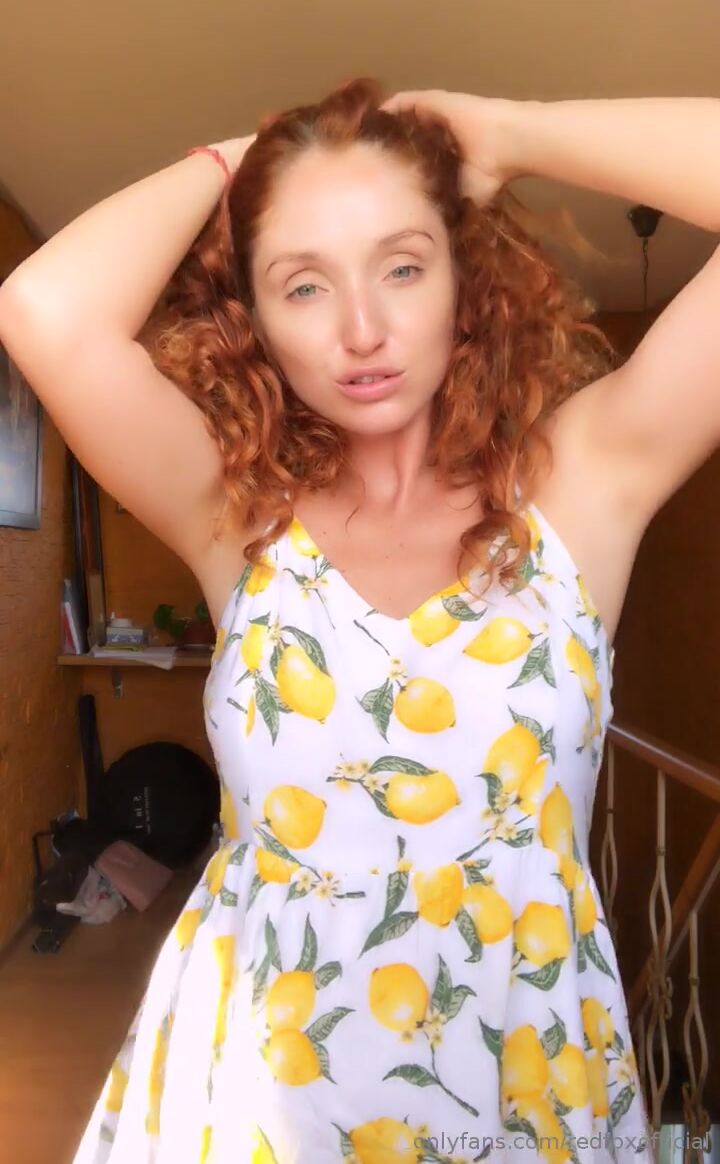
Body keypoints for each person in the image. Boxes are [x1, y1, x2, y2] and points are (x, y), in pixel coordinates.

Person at [2, 75, 719, 1164]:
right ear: (254, 319)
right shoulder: (233, 511)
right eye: (304, 284)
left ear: (463, 282)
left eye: (402, 265)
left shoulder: (586, 483)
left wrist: (512, 133)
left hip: (518, 1094)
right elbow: (42, 311)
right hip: (249, 1103)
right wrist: (257, 158)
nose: (363, 328)